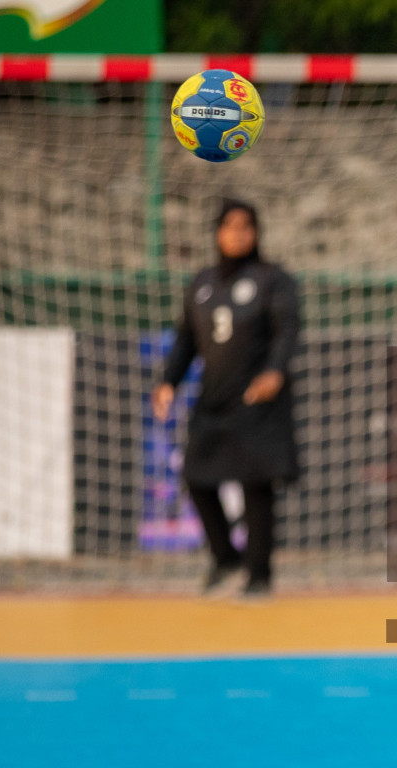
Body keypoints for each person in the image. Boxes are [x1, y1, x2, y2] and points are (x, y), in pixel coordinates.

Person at [151, 199, 302, 598]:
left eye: (246, 226)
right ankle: (225, 558)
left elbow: (287, 331)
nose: (238, 233)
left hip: (257, 400)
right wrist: (169, 381)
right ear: (217, 232)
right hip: (213, 399)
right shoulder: (202, 282)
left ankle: (259, 575)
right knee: (195, 477)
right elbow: (186, 339)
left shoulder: (273, 279)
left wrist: (274, 371)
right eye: (230, 225)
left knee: (256, 486)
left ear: (256, 232)